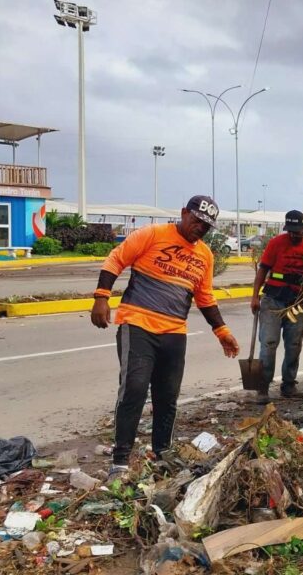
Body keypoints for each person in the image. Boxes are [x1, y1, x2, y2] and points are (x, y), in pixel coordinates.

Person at [91, 195, 240, 479]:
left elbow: (205, 296)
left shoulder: (205, 255)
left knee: (167, 396)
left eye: (206, 226)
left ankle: (162, 453)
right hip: (138, 325)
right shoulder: (153, 234)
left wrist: (222, 331)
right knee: (134, 389)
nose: (200, 228)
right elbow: (116, 259)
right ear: (184, 213)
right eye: (196, 221)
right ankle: (120, 461)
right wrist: (101, 297)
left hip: (174, 332)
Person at [250, 210, 303, 403]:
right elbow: (263, 270)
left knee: (294, 345)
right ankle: (262, 388)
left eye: (297, 231)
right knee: (268, 343)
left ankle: (289, 385)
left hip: (297, 301)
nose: (293, 235)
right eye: (290, 231)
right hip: (273, 299)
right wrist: (255, 297)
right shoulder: (276, 243)